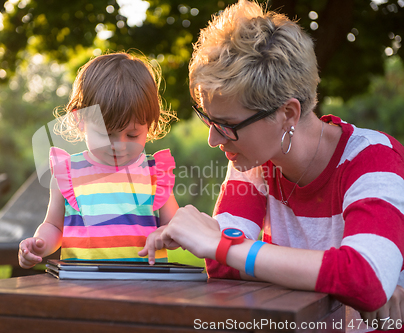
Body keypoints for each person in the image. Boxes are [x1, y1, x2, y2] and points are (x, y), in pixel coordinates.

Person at [152, 0, 403, 330]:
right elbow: (223, 268)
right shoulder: (254, 162)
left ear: (288, 114)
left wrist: (223, 243)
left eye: (227, 125)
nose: (214, 139)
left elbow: (365, 279)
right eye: (208, 120)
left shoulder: (374, 158)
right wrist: (337, 279)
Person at [18, 52, 179, 268]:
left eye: (132, 135)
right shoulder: (68, 172)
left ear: (149, 125)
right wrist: (40, 243)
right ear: (80, 119)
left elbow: (176, 227)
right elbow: (54, 226)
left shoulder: (154, 173)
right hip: (82, 283)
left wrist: (164, 234)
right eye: (106, 134)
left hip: (144, 284)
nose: (119, 146)